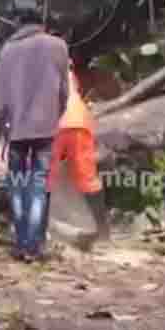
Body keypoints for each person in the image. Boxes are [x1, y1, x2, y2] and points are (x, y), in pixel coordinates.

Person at [0, 0, 69, 262]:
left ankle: (22, 243)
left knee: (18, 185)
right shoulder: (58, 46)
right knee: (38, 185)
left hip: (17, 130)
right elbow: (64, 91)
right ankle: (34, 245)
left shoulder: (8, 51)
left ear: (17, 20)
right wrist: (55, 116)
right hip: (46, 129)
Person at [48, 64, 110, 249]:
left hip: (53, 124)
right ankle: (103, 233)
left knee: (45, 178)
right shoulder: (64, 65)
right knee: (88, 179)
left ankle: (45, 231)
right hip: (79, 120)